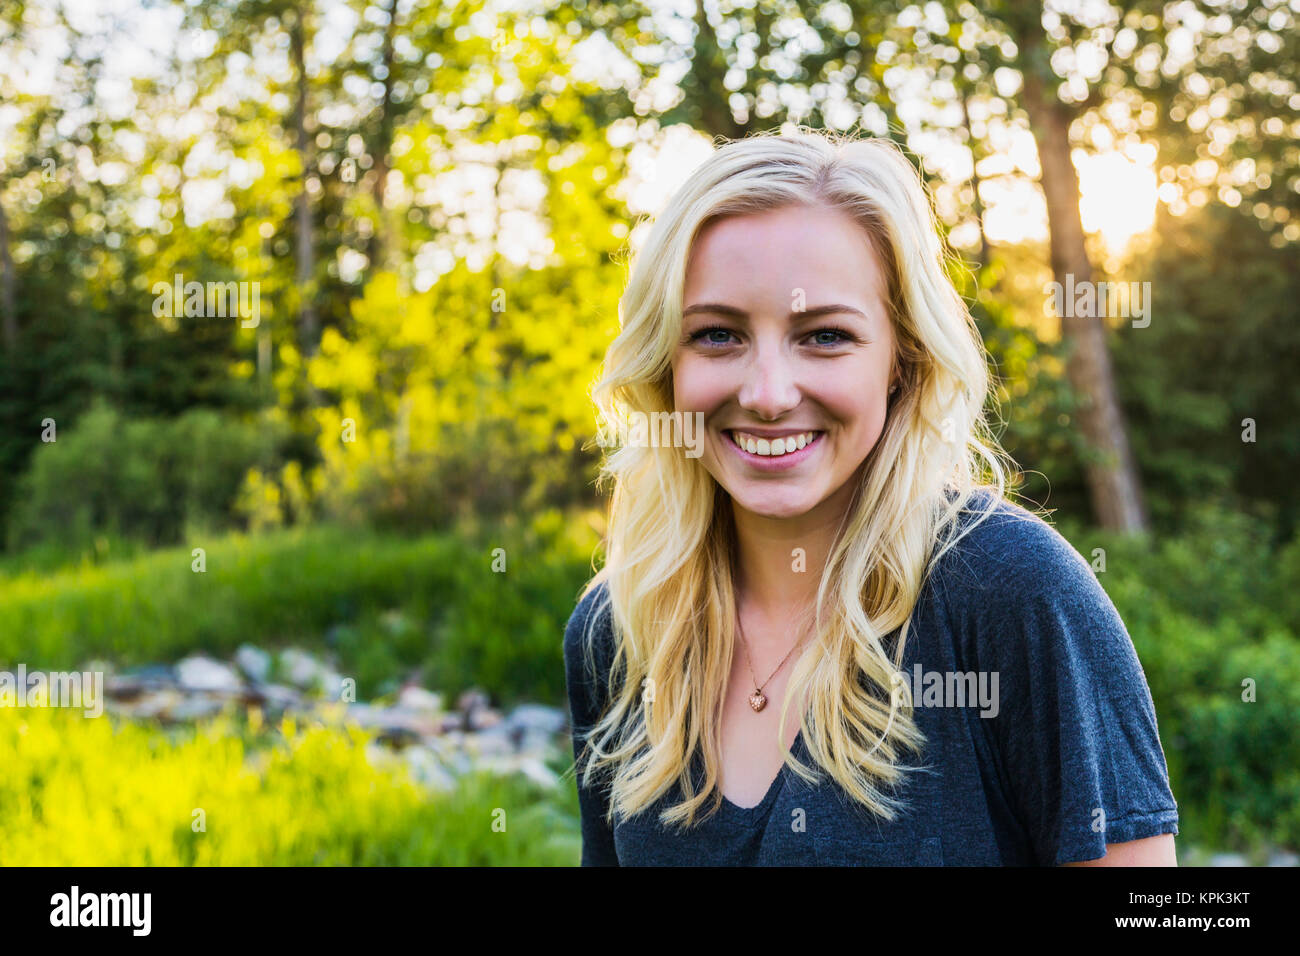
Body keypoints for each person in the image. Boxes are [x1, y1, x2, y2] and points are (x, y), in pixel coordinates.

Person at [563, 128, 1179, 866]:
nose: (766, 394)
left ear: (903, 360)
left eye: (823, 336)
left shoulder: (1014, 592)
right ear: (664, 363)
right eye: (718, 335)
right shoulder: (619, 625)